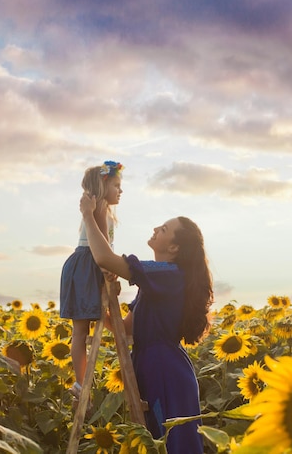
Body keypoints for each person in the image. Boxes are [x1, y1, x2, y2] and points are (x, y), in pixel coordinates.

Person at [80, 192, 213, 454]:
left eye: (163, 229)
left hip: (163, 368)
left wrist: (88, 216)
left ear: (174, 247)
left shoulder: (169, 275)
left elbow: (105, 258)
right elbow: (127, 329)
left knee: (169, 443)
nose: (155, 229)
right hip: (155, 363)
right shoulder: (157, 281)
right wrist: (102, 304)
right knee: (160, 440)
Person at [60, 161, 124, 401]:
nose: (120, 190)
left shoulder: (102, 209)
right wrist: (110, 269)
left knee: (81, 329)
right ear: (103, 185)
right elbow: (102, 247)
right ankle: (80, 382)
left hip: (86, 264)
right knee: (80, 330)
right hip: (88, 264)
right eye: (116, 185)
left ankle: (81, 381)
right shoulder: (99, 208)